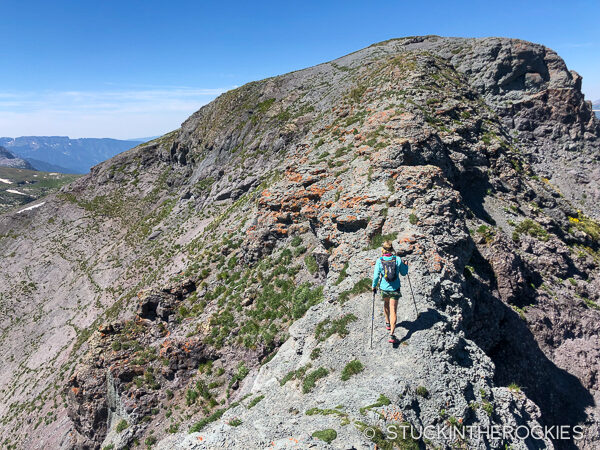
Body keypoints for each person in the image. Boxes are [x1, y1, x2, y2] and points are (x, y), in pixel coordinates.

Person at [372, 240, 408, 343]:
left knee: (386, 304)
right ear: (392, 249)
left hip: (384, 288)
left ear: (383, 249)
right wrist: (406, 265)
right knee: (394, 310)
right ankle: (392, 334)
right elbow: (404, 273)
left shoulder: (379, 261)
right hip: (395, 288)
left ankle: (387, 323)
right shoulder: (397, 259)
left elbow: (375, 277)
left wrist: (373, 286)